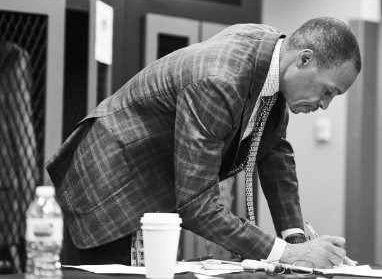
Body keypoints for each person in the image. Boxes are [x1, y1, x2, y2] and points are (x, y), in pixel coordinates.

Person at [46, 17, 361, 268]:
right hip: (111, 184)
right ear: (304, 60)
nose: (324, 105)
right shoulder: (221, 80)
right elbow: (197, 205)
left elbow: (274, 150)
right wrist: (285, 255)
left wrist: (297, 244)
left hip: (152, 186)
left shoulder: (272, 62)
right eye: (328, 91)